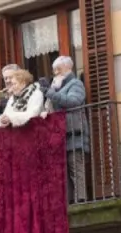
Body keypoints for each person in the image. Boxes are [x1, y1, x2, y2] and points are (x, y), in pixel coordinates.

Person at [46, 56, 88, 202]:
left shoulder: (76, 84)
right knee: (63, 171)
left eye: (59, 69)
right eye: (54, 70)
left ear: (68, 68)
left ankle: (81, 200)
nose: (56, 72)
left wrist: (51, 93)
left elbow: (74, 101)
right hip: (60, 134)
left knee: (76, 167)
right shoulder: (56, 87)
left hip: (74, 132)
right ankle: (69, 201)